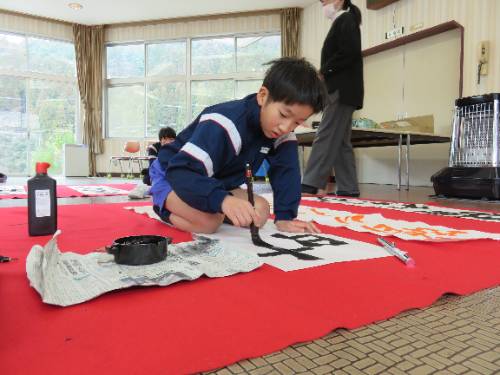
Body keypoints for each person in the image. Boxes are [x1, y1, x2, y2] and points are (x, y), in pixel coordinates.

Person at [149, 57, 326, 234]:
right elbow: (182, 171)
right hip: (173, 174)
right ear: (263, 96)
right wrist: (222, 200)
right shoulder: (224, 124)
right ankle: (163, 206)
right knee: (208, 223)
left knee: (260, 212)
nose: (286, 127)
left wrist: (285, 217)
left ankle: (211, 206)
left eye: (297, 122)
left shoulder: (282, 131)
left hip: (215, 180)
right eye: (283, 114)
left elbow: (287, 171)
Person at [301, 0, 364, 197]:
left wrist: (323, 71)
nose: (322, 4)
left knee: (325, 134)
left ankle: (310, 182)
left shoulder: (346, 19)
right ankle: (349, 188)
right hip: (344, 90)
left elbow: (349, 52)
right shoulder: (343, 20)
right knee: (340, 142)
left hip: (340, 90)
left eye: (324, 0)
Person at [128, 126, 176, 199]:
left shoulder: (177, 148)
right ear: (160, 140)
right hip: (157, 171)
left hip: (171, 171)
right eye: (165, 139)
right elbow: (153, 164)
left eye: (171, 139)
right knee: (147, 179)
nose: (168, 142)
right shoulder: (154, 148)